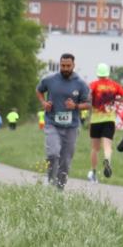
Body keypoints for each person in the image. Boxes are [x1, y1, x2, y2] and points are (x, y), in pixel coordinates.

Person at [36, 53, 91, 190]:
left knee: (65, 161)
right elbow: (39, 90)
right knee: (53, 154)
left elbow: (89, 104)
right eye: (62, 65)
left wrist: (76, 106)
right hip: (52, 123)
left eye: (68, 66)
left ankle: (59, 188)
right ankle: (51, 182)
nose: (65, 68)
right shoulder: (50, 80)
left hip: (71, 127)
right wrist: (44, 102)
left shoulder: (80, 83)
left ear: (73, 65)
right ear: (60, 64)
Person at [88, 63, 123, 181]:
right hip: (109, 119)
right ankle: (107, 160)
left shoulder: (94, 84)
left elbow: (87, 96)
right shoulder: (114, 85)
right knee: (107, 146)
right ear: (108, 73)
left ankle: (94, 172)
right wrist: (117, 100)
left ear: (98, 73)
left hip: (96, 120)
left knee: (95, 148)